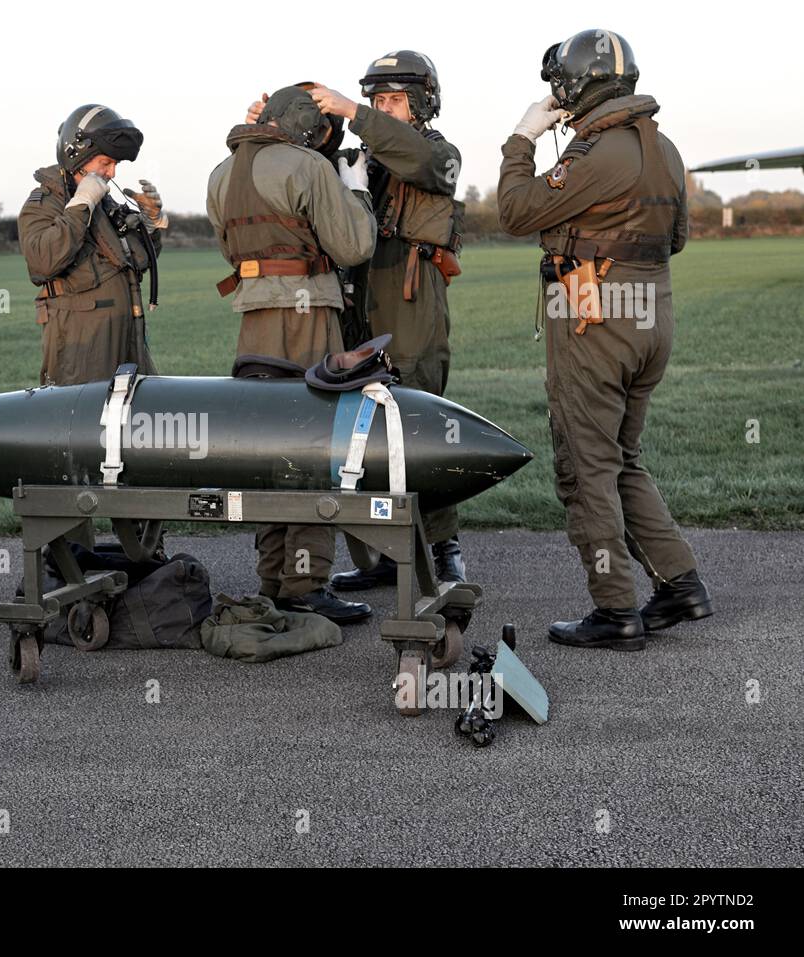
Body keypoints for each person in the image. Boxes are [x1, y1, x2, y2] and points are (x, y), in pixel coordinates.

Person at [496, 28, 713, 650]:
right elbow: (675, 239)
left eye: (559, 85)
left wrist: (522, 137)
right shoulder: (663, 147)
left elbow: (515, 212)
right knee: (624, 459)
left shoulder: (598, 151)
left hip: (595, 320)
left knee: (586, 468)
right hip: (654, 316)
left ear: (578, 86)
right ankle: (680, 583)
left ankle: (615, 610)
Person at [296, 51, 469, 586]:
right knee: (361, 426)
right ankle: (383, 554)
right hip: (359, 299)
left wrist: (354, 111)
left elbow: (420, 163)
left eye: (393, 100)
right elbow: (313, 165)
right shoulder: (363, 156)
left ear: (421, 105)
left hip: (411, 296)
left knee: (417, 422)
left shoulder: (440, 154)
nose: (381, 109)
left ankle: (443, 550)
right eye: (375, 100)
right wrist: (283, 121)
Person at [207, 84, 376, 624]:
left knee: (263, 444)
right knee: (313, 441)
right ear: (310, 131)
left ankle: (272, 577)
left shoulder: (221, 174)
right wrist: (357, 193)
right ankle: (305, 583)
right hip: (307, 317)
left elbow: (230, 246)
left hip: (252, 320)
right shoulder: (308, 167)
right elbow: (354, 246)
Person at [19, 104, 166, 386]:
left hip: (128, 343)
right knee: (81, 426)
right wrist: (80, 207)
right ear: (78, 157)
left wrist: (151, 223)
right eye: (105, 163)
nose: (111, 173)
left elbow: (138, 260)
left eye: (115, 165)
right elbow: (41, 262)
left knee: (134, 423)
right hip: (81, 352)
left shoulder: (105, 204)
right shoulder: (44, 204)